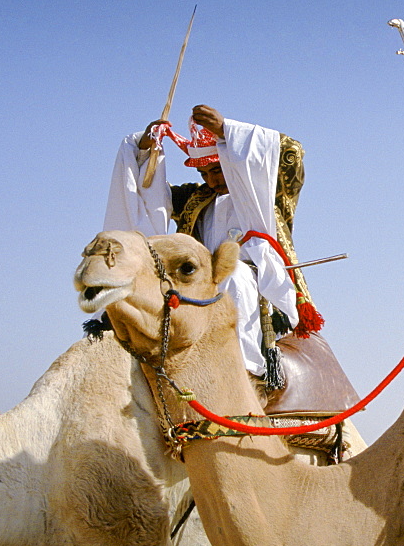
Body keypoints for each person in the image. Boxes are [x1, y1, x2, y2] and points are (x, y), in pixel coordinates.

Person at [103, 104, 320, 383]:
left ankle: (245, 373)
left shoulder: (268, 194)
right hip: (199, 285)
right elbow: (150, 197)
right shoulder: (196, 200)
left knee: (235, 275)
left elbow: (292, 154)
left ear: (231, 160)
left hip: (255, 287)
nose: (211, 180)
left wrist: (225, 130)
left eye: (217, 170)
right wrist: (143, 151)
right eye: (204, 174)